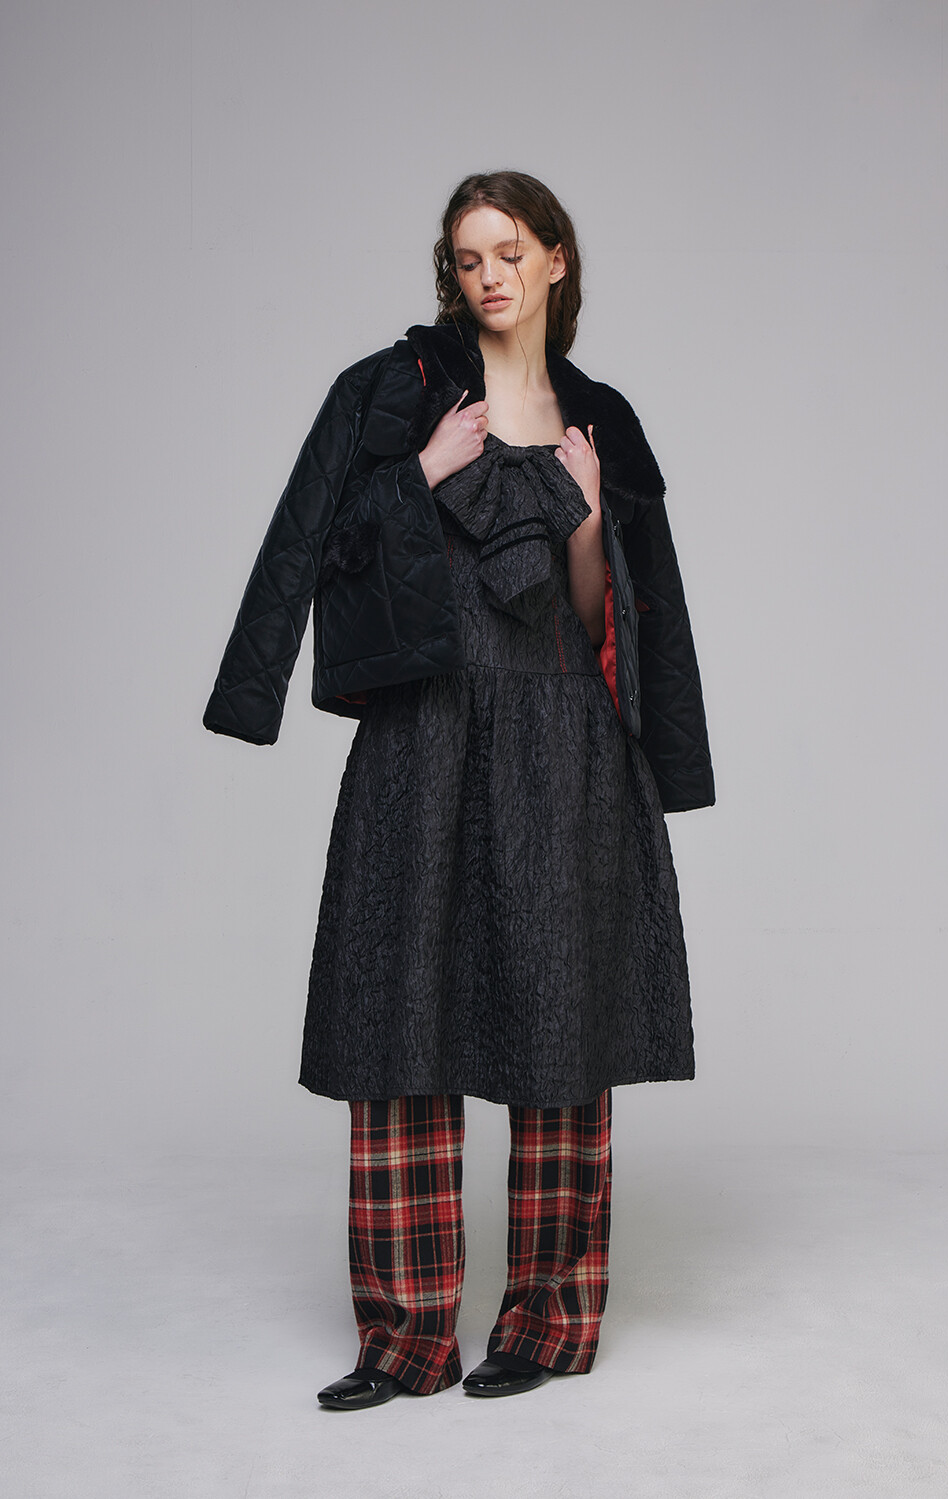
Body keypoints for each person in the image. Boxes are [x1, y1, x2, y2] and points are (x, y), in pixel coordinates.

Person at [203, 169, 715, 1409]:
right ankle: (405, 1338)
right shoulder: (393, 393)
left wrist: (584, 517)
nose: (487, 275)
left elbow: (605, 616)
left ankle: (547, 1322)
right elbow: (308, 543)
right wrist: (417, 477)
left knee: (561, 1018)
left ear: (554, 258)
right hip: (423, 729)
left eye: (508, 251)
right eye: (466, 256)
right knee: (399, 1013)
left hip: (562, 739)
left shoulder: (601, 421)